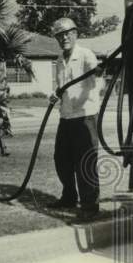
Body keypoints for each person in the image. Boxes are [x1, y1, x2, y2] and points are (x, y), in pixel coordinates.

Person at [50, 17, 101, 218]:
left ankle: (90, 205)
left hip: (85, 117)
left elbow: (95, 74)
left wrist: (97, 71)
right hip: (66, 116)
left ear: (75, 34)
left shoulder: (86, 55)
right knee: (61, 159)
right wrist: (55, 94)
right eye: (59, 36)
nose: (63, 38)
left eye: (67, 34)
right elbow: (62, 85)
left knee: (85, 161)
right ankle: (69, 197)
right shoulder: (59, 60)